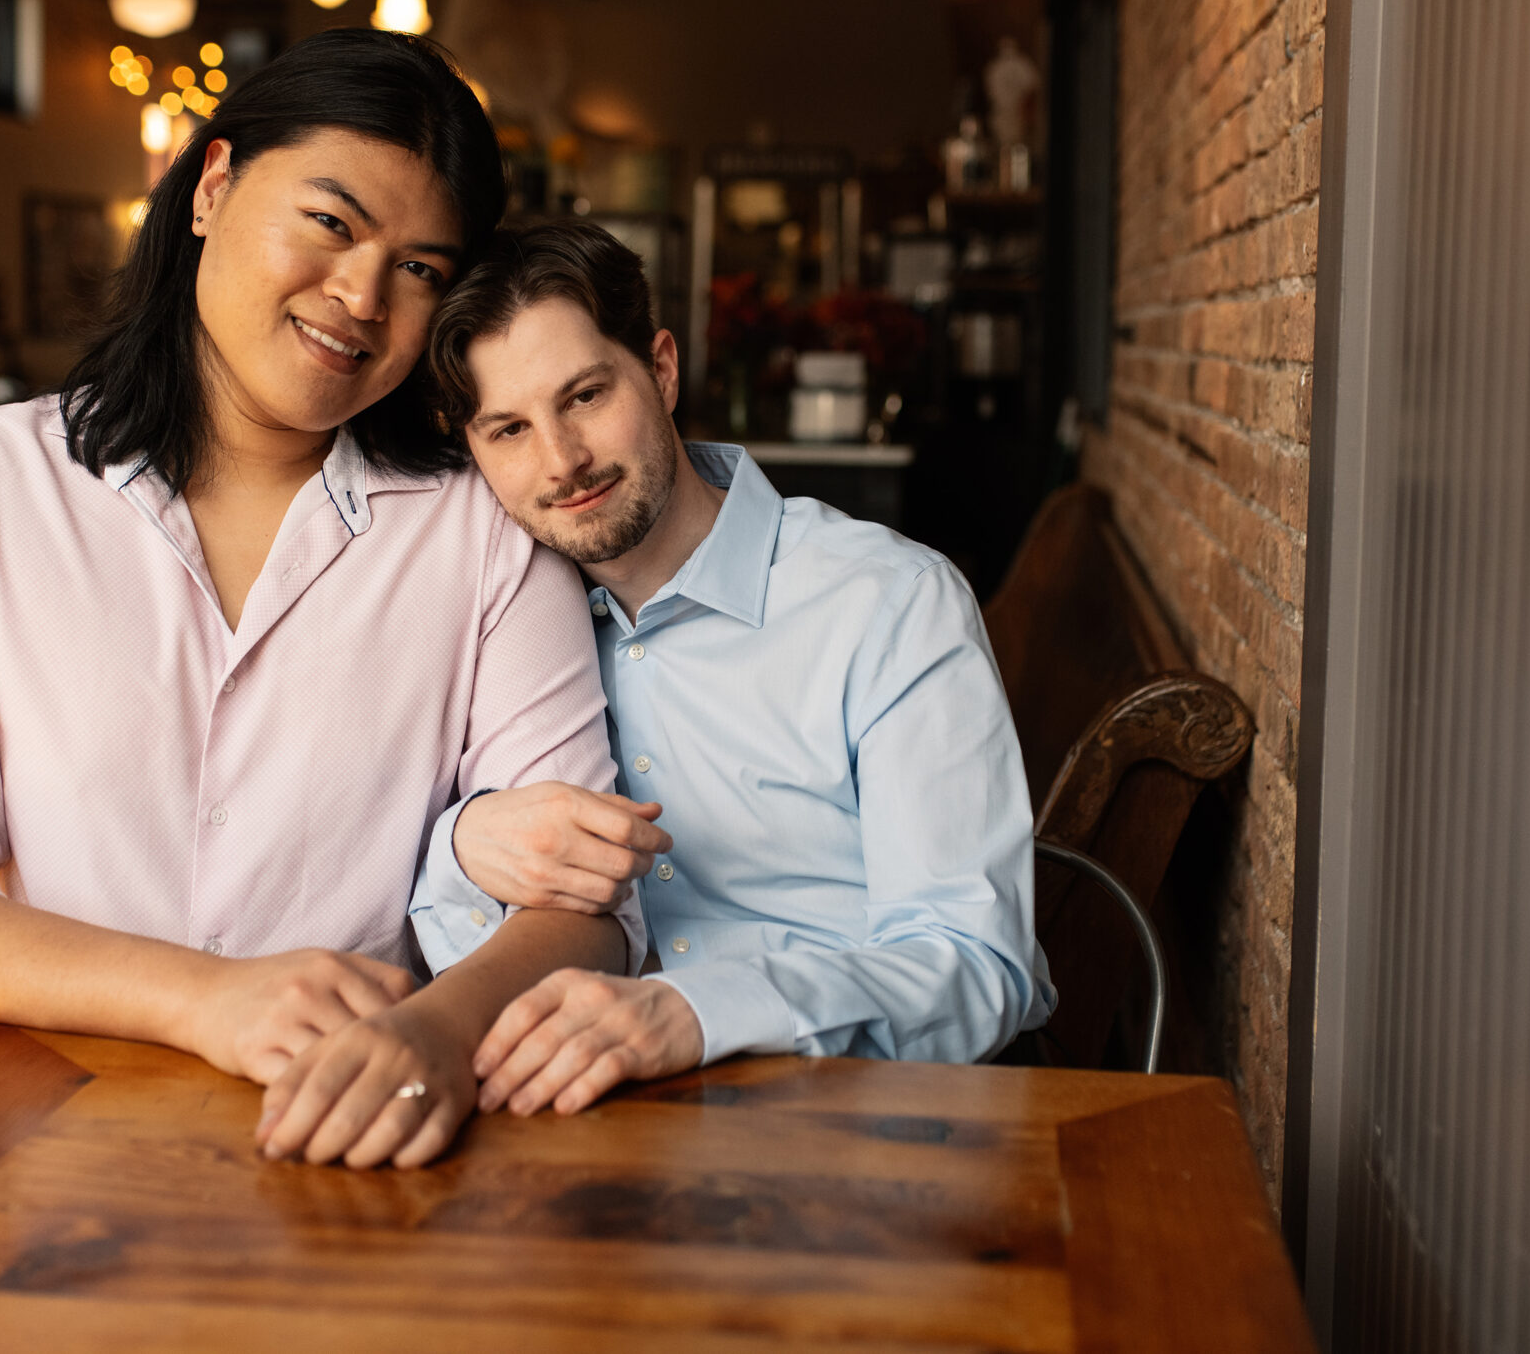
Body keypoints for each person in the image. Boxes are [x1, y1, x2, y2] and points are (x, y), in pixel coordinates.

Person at [0, 31, 643, 1171]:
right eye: (332, 222)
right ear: (211, 187)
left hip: (355, 1135)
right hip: (18, 1143)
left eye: (420, 270)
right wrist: (205, 1002)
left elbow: (585, 906)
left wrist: (440, 1032)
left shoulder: (480, 533)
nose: (360, 295)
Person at [409, 224, 1053, 1117]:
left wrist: (698, 1012)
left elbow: (980, 969)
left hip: (849, 1136)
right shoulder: (499, 631)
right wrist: (466, 841)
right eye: (509, 428)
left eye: (587, 395)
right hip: (586, 1134)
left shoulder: (889, 602)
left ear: (663, 371)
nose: (561, 461)